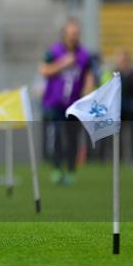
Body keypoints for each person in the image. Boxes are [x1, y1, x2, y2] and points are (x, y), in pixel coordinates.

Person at [39, 17, 94, 185]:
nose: (73, 36)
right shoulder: (54, 51)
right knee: (56, 135)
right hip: (55, 102)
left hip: (75, 103)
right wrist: (62, 64)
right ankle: (56, 168)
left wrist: (88, 91)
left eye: (76, 33)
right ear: (64, 34)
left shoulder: (84, 55)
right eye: (71, 33)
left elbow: (88, 75)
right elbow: (44, 70)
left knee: (72, 137)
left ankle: (70, 170)